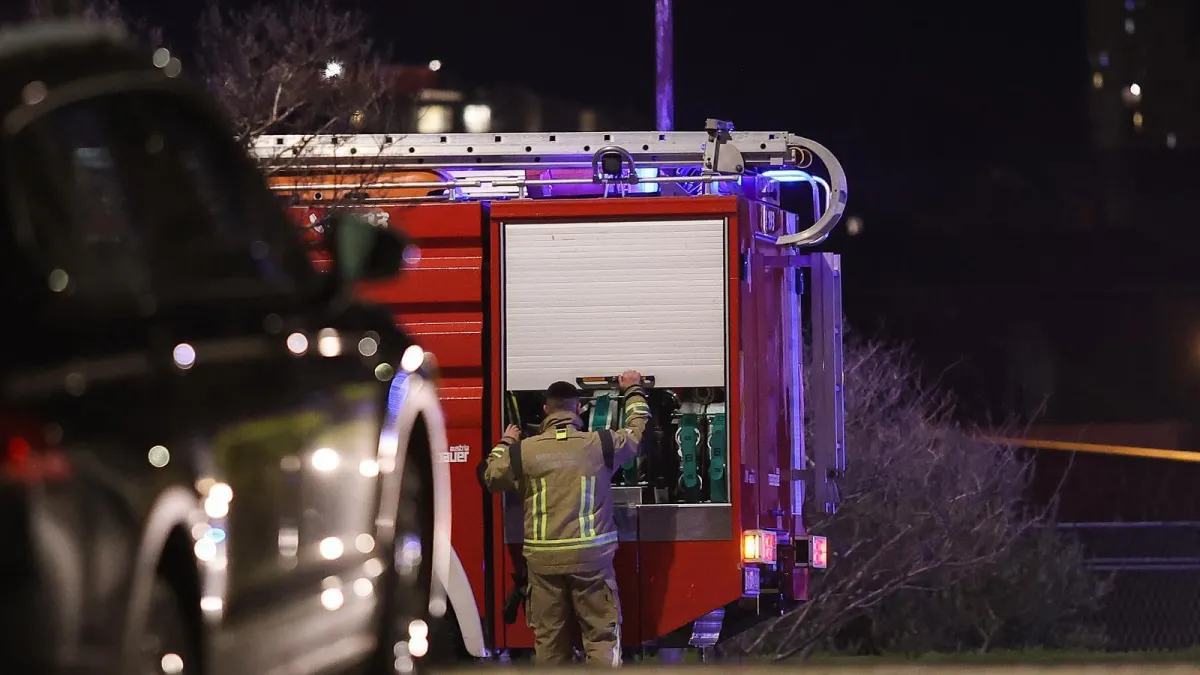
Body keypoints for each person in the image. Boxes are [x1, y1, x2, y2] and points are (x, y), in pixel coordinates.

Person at [482, 371, 651, 667]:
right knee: (600, 638)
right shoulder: (601, 445)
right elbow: (637, 433)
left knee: (549, 644)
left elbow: (489, 477)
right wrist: (633, 391)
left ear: (546, 410)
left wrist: (506, 442)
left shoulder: (525, 451)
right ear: (579, 409)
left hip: (543, 564)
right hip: (592, 561)